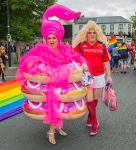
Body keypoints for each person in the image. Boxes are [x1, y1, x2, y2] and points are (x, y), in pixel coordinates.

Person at [16, 4, 89, 145]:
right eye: (49, 37)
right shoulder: (40, 49)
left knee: (60, 106)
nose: (51, 40)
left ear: (58, 38)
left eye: (53, 37)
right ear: (46, 38)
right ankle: (51, 131)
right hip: (49, 85)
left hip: (62, 84)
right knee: (53, 104)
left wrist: (84, 63)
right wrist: (35, 65)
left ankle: (57, 127)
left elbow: (77, 57)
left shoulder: (64, 49)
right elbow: (27, 59)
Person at [73, 20, 113, 135]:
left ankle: (90, 117)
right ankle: (95, 122)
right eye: (89, 33)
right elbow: (73, 57)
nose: (92, 35)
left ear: (97, 34)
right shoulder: (81, 46)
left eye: (94, 33)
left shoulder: (102, 46)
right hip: (87, 76)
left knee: (95, 99)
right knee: (89, 98)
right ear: (86, 34)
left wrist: (109, 76)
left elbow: (106, 61)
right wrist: (81, 63)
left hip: (99, 75)